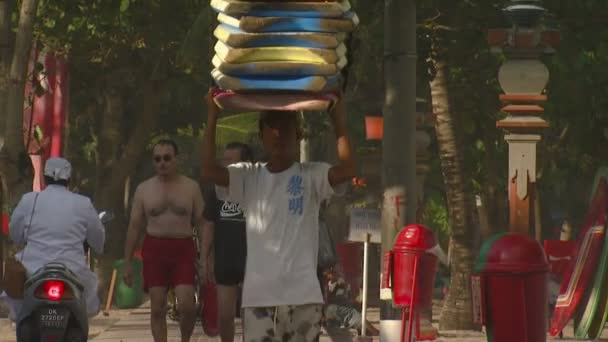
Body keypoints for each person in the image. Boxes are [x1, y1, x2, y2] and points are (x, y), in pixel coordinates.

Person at [202, 88, 356, 341]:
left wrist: (338, 118)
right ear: (261, 135)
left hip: (304, 299)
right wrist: (212, 114)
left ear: (298, 134)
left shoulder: (312, 175)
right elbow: (209, 171)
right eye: (271, 127)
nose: (278, 134)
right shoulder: (248, 176)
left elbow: (348, 169)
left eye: (285, 126)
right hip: (259, 300)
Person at [122, 139, 205, 342]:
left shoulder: (191, 187)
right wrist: (127, 262)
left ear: (176, 159)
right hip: (155, 249)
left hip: (183, 248)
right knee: (157, 307)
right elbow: (134, 225)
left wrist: (206, 257)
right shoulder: (144, 189)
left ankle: (185, 339)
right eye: (157, 159)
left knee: (187, 304)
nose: (162, 163)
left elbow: (202, 223)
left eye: (167, 158)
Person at [6, 157, 105, 320]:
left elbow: (15, 234)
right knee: (90, 301)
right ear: (69, 179)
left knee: (18, 311)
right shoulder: (83, 203)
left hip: (32, 270)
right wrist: (97, 247)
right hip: (74, 271)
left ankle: (20, 323)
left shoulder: (29, 200)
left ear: (45, 178)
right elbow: (98, 239)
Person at [200, 142, 253, 342]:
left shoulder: (257, 187)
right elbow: (208, 224)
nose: (226, 165)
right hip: (225, 257)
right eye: (224, 161)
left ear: (246, 163)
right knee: (225, 316)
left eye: (231, 161)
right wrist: (204, 259)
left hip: (253, 259)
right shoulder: (216, 189)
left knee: (250, 316)